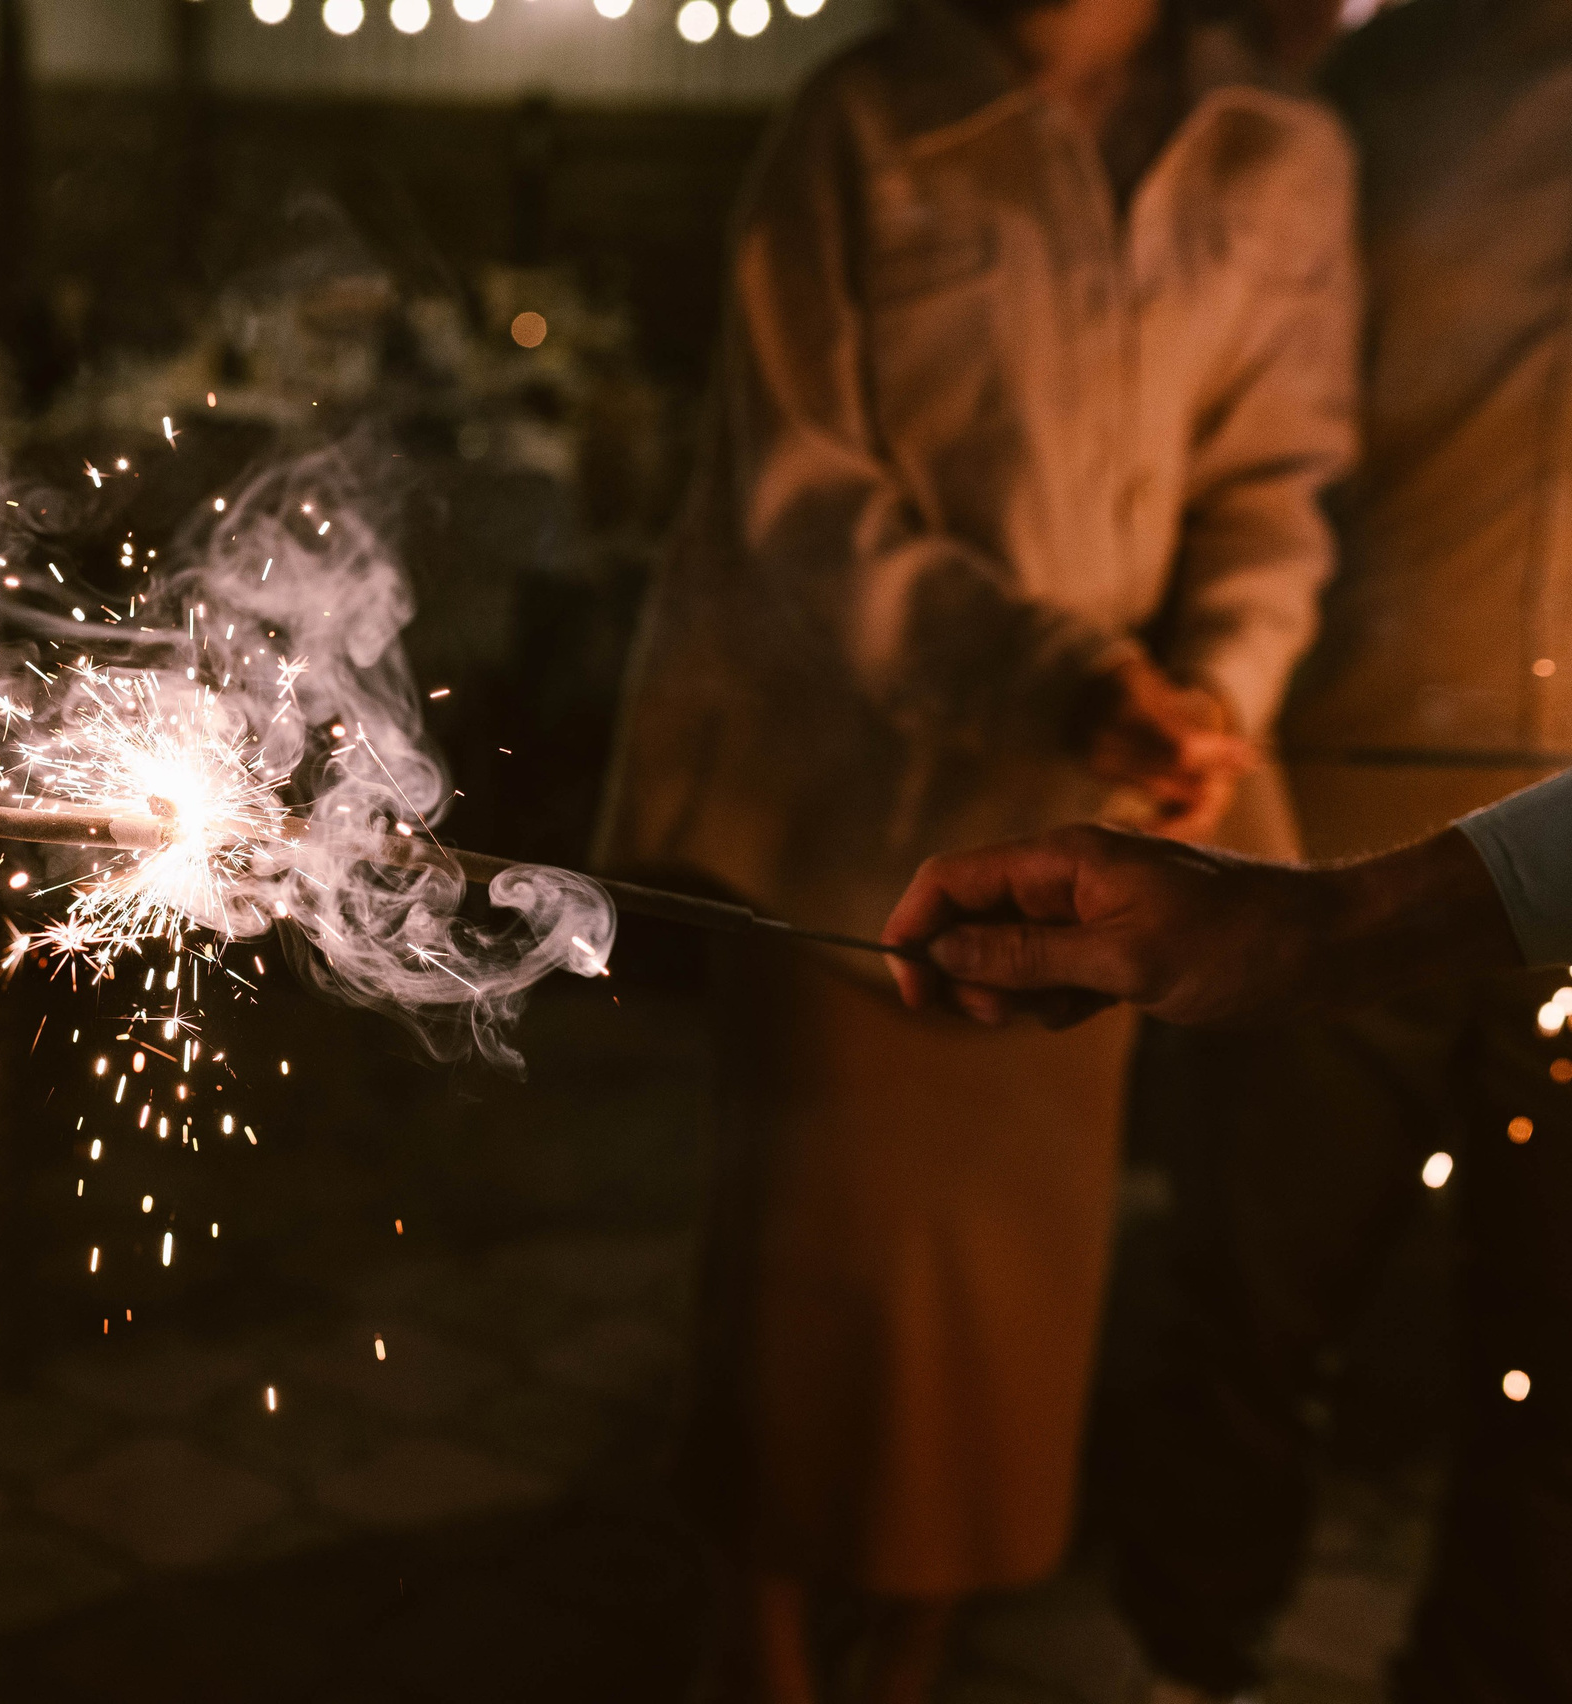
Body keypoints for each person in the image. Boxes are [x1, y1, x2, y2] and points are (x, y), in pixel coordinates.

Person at [593, 0, 1358, 1688]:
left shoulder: (1274, 149)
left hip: (1106, 831)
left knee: (1001, 1324)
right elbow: (797, 485)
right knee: (812, 1302)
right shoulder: (863, 123)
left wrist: (1212, 691)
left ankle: (915, 1659)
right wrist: (1049, 670)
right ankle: (768, 1654)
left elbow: (1275, 473)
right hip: (849, 818)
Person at [1061, 0, 1572, 1692]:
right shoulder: (1379, 90)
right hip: (1342, 819)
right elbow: (1237, 443)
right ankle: (1188, 1649)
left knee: (1554, 1365)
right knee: (1253, 1307)